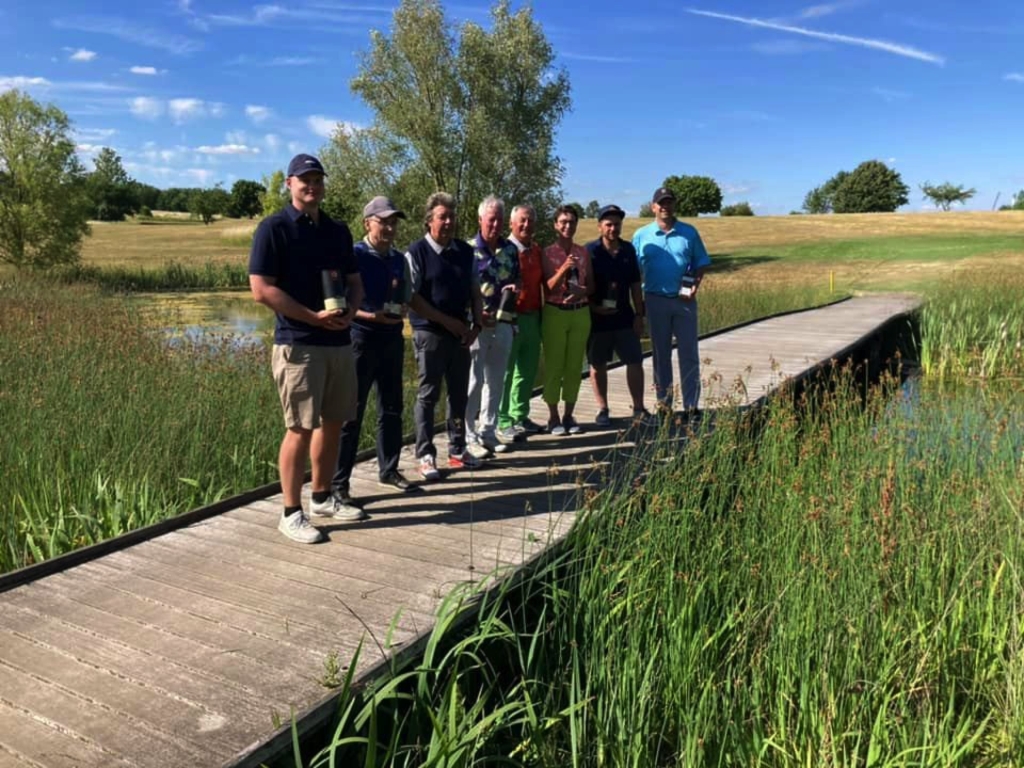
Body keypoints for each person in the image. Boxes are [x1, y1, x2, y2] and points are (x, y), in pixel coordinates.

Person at [248, 153, 365, 544]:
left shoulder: (337, 230)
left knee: (334, 422)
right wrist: (310, 318)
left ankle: (322, 497)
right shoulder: (274, 228)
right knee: (299, 427)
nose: (311, 186)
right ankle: (290, 512)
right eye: (304, 179)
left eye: (317, 179)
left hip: (337, 340)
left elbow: (354, 281)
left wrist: (349, 312)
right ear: (289, 183)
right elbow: (261, 289)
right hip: (298, 344)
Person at [331, 196, 416, 505]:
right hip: (360, 339)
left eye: (394, 222)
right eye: (384, 221)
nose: (391, 227)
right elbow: (339, 303)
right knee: (349, 413)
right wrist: (370, 316)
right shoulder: (353, 255)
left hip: (392, 338)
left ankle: (389, 469)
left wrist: (403, 308)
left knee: (392, 408)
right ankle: (340, 483)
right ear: (367, 223)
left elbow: (406, 294)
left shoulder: (399, 259)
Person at [406, 192, 485, 480]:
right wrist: (447, 322)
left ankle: (457, 449)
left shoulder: (465, 252)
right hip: (429, 333)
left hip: (461, 334)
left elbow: (476, 291)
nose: (449, 222)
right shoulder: (416, 253)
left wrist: (476, 324)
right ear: (429, 221)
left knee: (458, 395)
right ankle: (425, 454)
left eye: (452, 216)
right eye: (443, 217)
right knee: (428, 395)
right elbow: (411, 297)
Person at [632, 186, 711, 416]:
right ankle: (664, 403)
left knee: (688, 353)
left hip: (684, 301)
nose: (665, 206)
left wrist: (695, 284)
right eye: (661, 203)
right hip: (655, 299)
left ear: (674, 205)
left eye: (669, 202)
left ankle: (691, 405)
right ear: (653, 206)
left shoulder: (689, 232)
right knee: (660, 355)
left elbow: (701, 262)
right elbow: (634, 273)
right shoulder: (641, 235)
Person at [585, 204, 654, 426]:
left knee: (634, 361)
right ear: (599, 226)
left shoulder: (628, 250)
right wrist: (594, 308)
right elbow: (583, 285)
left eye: (617, 224)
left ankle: (639, 408)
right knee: (598, 365)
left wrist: (639, 315)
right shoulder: (590, 251)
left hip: (625, 317)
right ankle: (603, 409)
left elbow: (635, 284)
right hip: (597, 319)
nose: (613, 228)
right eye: (608, 224)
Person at [466, 195, 520, 456]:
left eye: (500, 218)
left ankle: (488, 430)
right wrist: (473, 317)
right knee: (473, 382)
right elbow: (461, 292)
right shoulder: (467, 250)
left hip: (504, 323)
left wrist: (515, 289)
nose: (496, 224)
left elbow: (517, 280)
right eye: (491, 219)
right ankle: (469, 436)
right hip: (478, 325)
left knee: (496, 381)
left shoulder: (510, 249)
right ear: (480, 220)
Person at [541, 205, 594, 435]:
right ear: (555, 224)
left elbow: (591, 284)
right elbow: (547, 287)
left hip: (580, 312)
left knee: (574, 366)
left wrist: (583, 292)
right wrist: (563, 269)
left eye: (571, 222)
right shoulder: (547, 253)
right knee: (554, 366)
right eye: (563, 221)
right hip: (555, 312)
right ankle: (553, 418)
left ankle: (569, 415)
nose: (567, 226)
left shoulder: (583, 252)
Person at [496, 203, 546, 441]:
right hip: (510, 318)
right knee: (505, 371)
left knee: (527, 370)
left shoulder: (536, 251)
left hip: (533, 317)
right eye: (522, 221)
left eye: (531, 221)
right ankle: (502, 419)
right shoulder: (503, 250)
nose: (527, 225)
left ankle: (520, 415)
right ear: (511, 223)